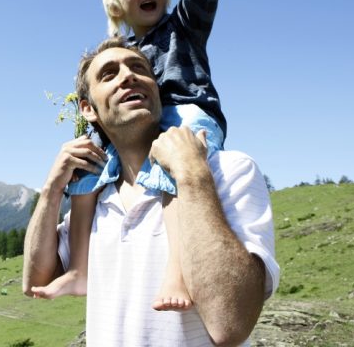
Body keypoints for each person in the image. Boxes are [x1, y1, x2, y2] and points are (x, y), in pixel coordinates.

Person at [30, 0, 231, 311]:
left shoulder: (183, 27)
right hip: (142, 126)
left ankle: (178, 267)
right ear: (116, 6)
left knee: (172, 160)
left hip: (188, 112)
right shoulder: (123, 51)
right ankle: (81, 268)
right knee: (87, 160)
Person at [22, 39, 279, 346]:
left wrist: (192, 176)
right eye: (108, 74)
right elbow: (35, 280)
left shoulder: (228, 171)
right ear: (88, 109)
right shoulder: (93, 198)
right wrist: (52, 188)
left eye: (138, 68)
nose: (128, 76)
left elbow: (231, 325)